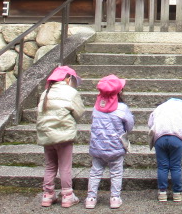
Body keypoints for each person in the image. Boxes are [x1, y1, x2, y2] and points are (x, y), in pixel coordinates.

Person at [36, 66, 85, 208]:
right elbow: (79, 112)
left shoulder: (46, 92)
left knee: (50, 165)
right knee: (65, 166)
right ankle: (67, 195)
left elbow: (39, 111)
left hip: (46, 133)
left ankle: (47, 194)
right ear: (68, 78)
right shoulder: (71, 92)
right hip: (64, 134)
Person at [85, 74, 134, 209]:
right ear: (119, 91)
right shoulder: (122, 108)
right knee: (116, 172)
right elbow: (129, 124)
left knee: (95, 172)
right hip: (115, 146)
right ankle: (114, 198)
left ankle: (90, 198)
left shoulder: (96, 107)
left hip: (97, 146)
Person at [148, 98, 182, 202]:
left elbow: (150, 123)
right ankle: (177, 192)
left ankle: (162, 192)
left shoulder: (160, 107)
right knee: (175, 166)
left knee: (162, 166)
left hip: (160, 138)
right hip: (177, 138)